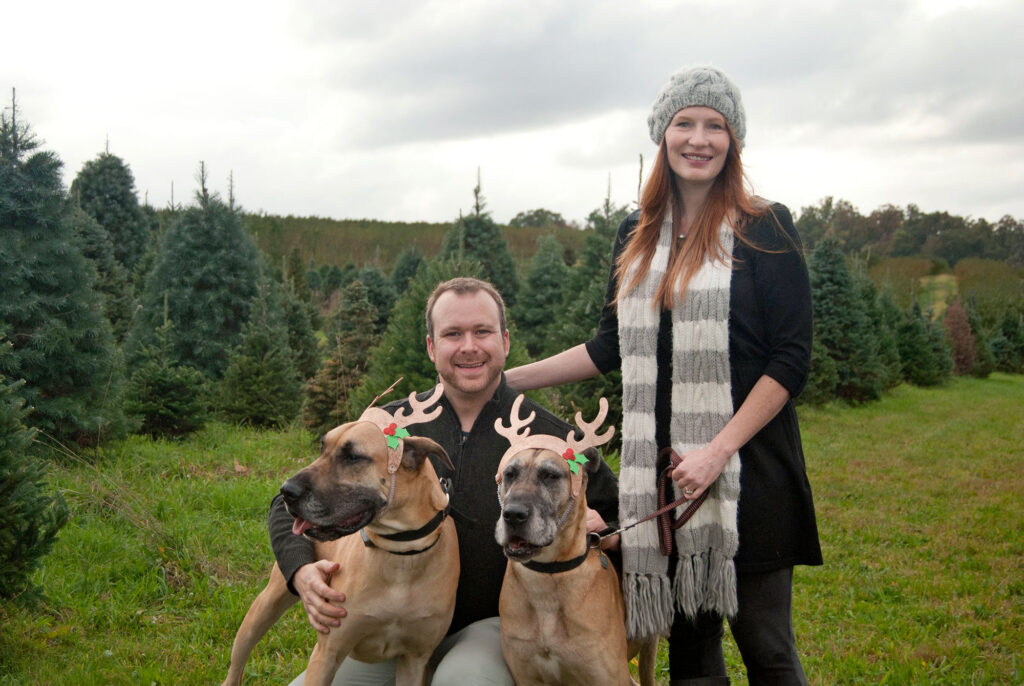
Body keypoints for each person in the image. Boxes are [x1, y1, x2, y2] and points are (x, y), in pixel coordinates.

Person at [505, 66, 823, 685]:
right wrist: (505, 380)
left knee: (767, 648)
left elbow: (790, 359)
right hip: (663, 477)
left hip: (749, 472)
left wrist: (716, 452)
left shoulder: (765, 227)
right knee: (691, 653)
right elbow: (608, 346)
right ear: (663, 134)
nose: (698, 139)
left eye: (715, 126)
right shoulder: (637, 233)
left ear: (733, 142)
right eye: (685, 123)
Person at [268, 277, 620, 685]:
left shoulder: (550, 441)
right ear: (433, 346)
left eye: (482, 332)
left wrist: (604, 530)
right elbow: (287, 502)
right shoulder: (389, 429)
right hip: (389, 624)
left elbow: (620, 512)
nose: (469, 346)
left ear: (505, 341)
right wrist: (299, 570)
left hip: (494, 628)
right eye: (453, 334)